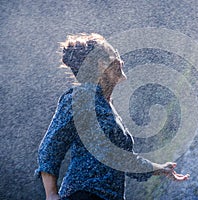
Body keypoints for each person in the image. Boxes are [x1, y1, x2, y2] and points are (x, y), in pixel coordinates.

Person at [35, 33, 189, 200]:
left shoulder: (104, 105)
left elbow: (122, 160)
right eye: (115, 54)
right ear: (102, 64)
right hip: (84, 194)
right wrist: (51, 194)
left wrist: (160, 169)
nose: (121, 60)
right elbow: (50, 147)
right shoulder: (82, 96)